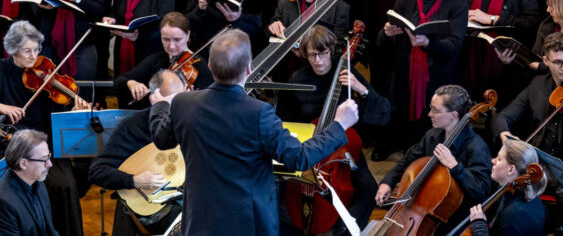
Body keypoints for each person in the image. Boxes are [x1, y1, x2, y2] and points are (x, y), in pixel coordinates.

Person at [149, 29, 359, 235]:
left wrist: (159, 105)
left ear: (211, 67)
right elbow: (300, 158)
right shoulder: (259, 113)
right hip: (248, 222)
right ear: (249, 69)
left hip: (201, 218)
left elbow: (161, 139)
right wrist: (339, 125)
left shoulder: (183, 103)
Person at [0, 22, 89, 236]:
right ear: (13, 49)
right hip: (7, 144)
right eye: (27, 50)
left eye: (37, 49)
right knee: (22, 190)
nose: (33, 56)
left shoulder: (45, 74)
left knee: (64, 185)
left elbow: (57, 114)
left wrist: (73, 110)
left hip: (43, 144)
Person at [275, 25, 390, 230]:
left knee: (368, 190)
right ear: (305, 54)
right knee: (278, 190)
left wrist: (361, 89)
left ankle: (345, 230)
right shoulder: (298, 79)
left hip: (343, 151)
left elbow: (383, 113)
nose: (318, 60)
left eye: (323, 53)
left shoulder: (347, 73)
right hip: (307, 148)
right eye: (312, 55)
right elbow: (284, 120)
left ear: (332, 50)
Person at [492, 32, 563, 217]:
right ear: (545, 60)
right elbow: (503, 116)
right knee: (499, 195)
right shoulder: (537, 85)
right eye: (557, 62)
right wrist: (505, 135)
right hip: (537, 165)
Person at [378, 0, 468, 147]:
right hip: (405, 70)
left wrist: (427, 42)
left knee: (429, 125)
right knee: (398, 107)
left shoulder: (456, 1)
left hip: (438, 74)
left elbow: (454, 45)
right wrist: (388, 33)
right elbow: (384, 42)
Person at [375, 85, 493, 224]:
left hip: (453, 218)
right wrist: (388, 182)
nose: (429, 114)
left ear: (453, 115)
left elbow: (482, 191)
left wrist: (455, 166)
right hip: (423, 206)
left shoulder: (476, 147)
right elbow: (407, 161)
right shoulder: (432, 135)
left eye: (435, 110)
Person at [90, 69, 187, 236]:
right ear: (154, 99)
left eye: (183, 99)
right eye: (171, 102)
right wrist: (134, 180)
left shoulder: (192, 121)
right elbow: (97, 171)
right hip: (150, 211)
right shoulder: (133, 126)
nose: (180, 107)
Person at [113, 12, 211, 108]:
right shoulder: (156, 59)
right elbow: (119, 81)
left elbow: (205, 105)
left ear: (188, 35)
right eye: (166, 39)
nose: (171, 46)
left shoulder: (199, 65)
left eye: (177, 39)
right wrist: (131, 83)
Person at [0, 130, 58, 236]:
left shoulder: (38, 183)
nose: (49, 164)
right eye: (44, 159)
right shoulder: (1, 204)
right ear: (23, 163)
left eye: (49, 157)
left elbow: (49, 231)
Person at [467, 137, 547, 236]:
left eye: (499, 159)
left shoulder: (515, 214)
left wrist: (479, 227)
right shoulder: (513, 192)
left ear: (511, 170)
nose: (493, 161)